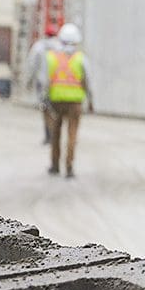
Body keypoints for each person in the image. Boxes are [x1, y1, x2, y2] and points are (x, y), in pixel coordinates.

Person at [45, 22, 93, 178]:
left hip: (56, 102)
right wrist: (90, 100)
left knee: (55, 135)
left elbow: (45, 80)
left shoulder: (52, 58)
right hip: (75, 103)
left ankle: (54, 165)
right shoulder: (81, 59)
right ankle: (69, 167)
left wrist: (44, 99)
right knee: (72, 135)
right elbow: (87, 81)